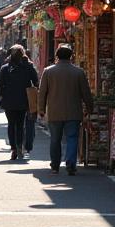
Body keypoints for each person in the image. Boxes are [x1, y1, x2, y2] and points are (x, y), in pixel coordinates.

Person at [38, 43, 94, 175]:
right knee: (72, 138)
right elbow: (86, 93)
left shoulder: (48, 71)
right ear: (71, 56)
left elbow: (42, 92)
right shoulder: (78, 72)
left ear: (57, 56)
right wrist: (90, 108)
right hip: (73, 111)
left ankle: (55, 165)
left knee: (55, 139)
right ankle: (70, 163)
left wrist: (41, 109)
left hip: (54, 111)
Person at [0, 44, 38, 159]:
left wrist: (0, 95)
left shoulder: (5, 68)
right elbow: (36, 81)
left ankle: (13, 148)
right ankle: (19, 146)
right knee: (20, 124)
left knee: (11, 124)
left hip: (9, 101)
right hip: (24, 100)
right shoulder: (29, 66)